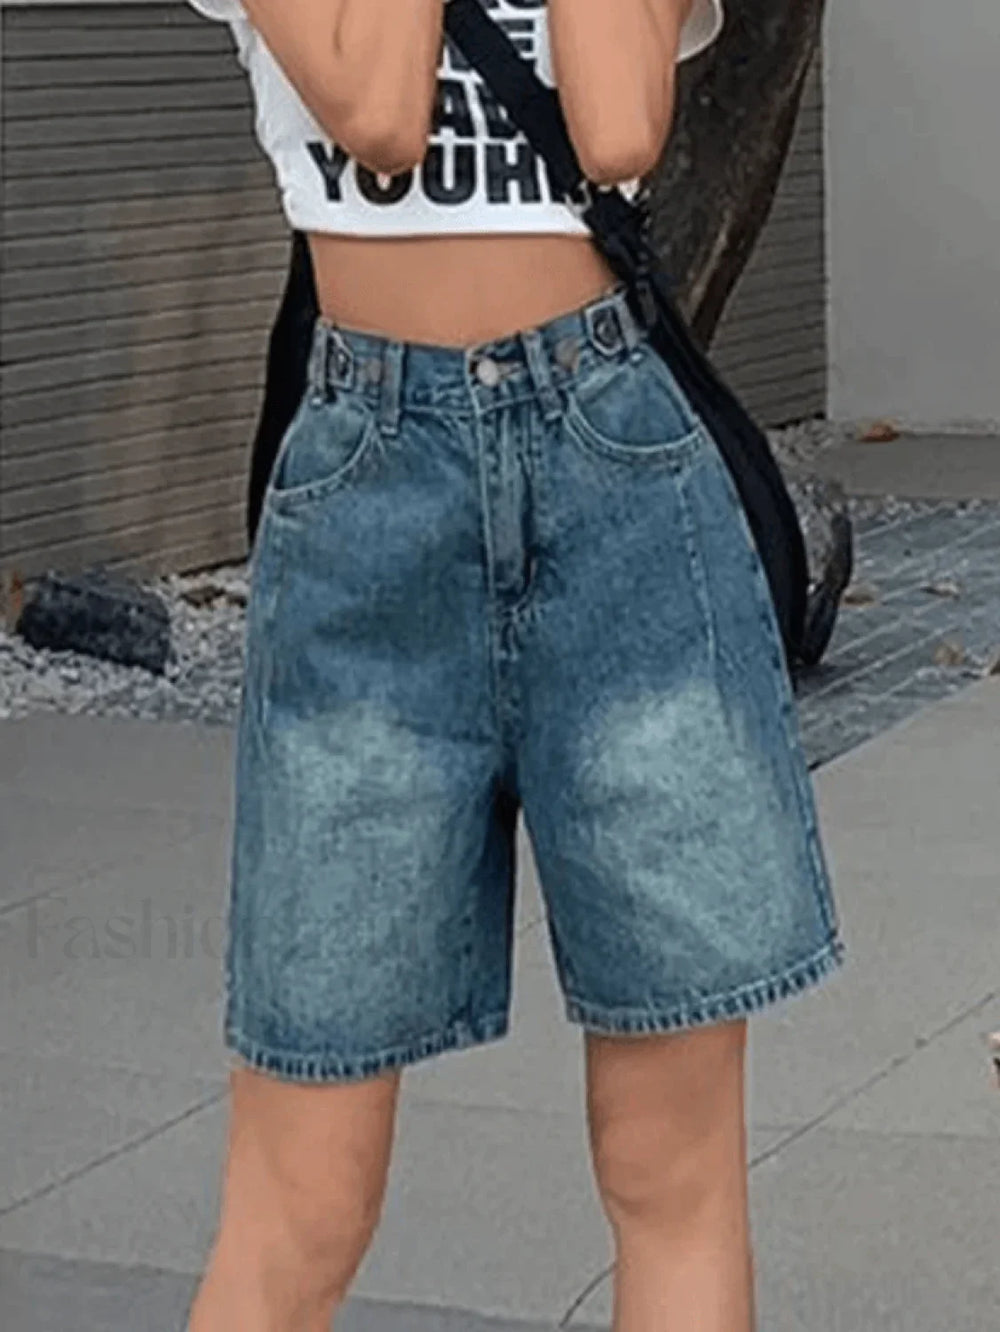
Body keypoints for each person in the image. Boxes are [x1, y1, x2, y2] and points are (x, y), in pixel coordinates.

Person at [185, 3, 846, 1330]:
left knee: (668, 1163)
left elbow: (619, 128)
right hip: (372, 500)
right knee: (306, 1190)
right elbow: (377, 112)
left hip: (622, 486)